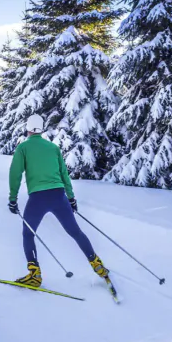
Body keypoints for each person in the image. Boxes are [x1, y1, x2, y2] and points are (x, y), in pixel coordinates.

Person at [8, 114, 109, 287]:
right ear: (42, 128)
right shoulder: (53, 148)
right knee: (75, 232)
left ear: (28, 128)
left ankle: (34, 275)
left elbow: (15, 174)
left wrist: (12, 198)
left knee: (28, 233)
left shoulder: (23, 148)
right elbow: (64, 175)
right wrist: (71, 198)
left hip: (38, 198)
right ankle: (97, 265)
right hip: (58, 196)